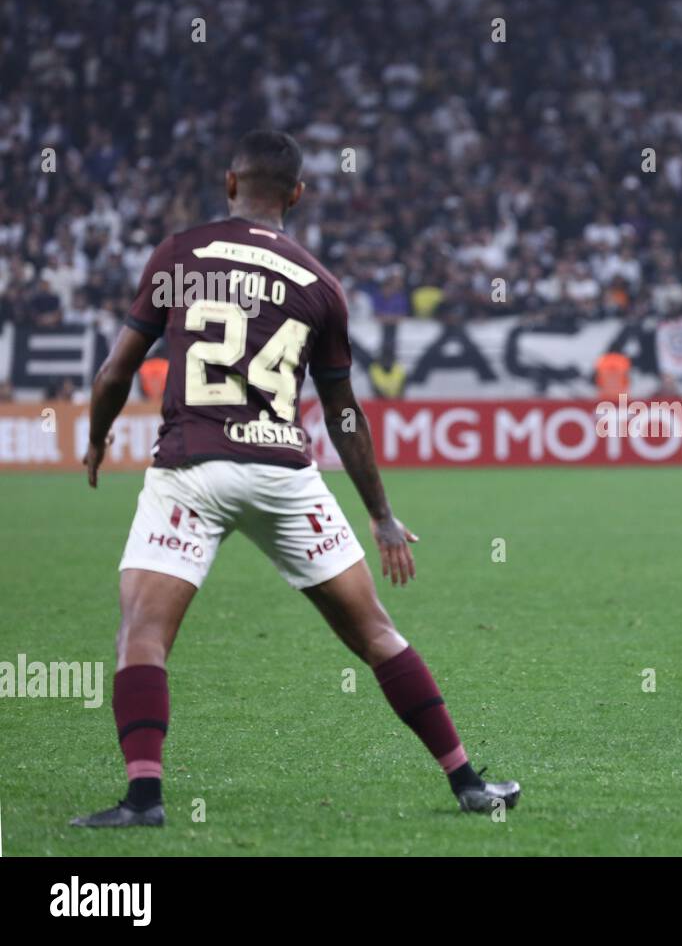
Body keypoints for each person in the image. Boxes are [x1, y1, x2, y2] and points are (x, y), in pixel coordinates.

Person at [73, 131, 519, 825]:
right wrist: (381, 515)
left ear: (230, 185)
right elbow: (344, 415)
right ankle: (466, 782)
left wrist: (98, 438)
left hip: (191, 467)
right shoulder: (320, 284)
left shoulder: (178, 255)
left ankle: (144, 797)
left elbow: (116, 372)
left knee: (143, 633)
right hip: (284, 473)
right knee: (375, 633)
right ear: (297, 194)